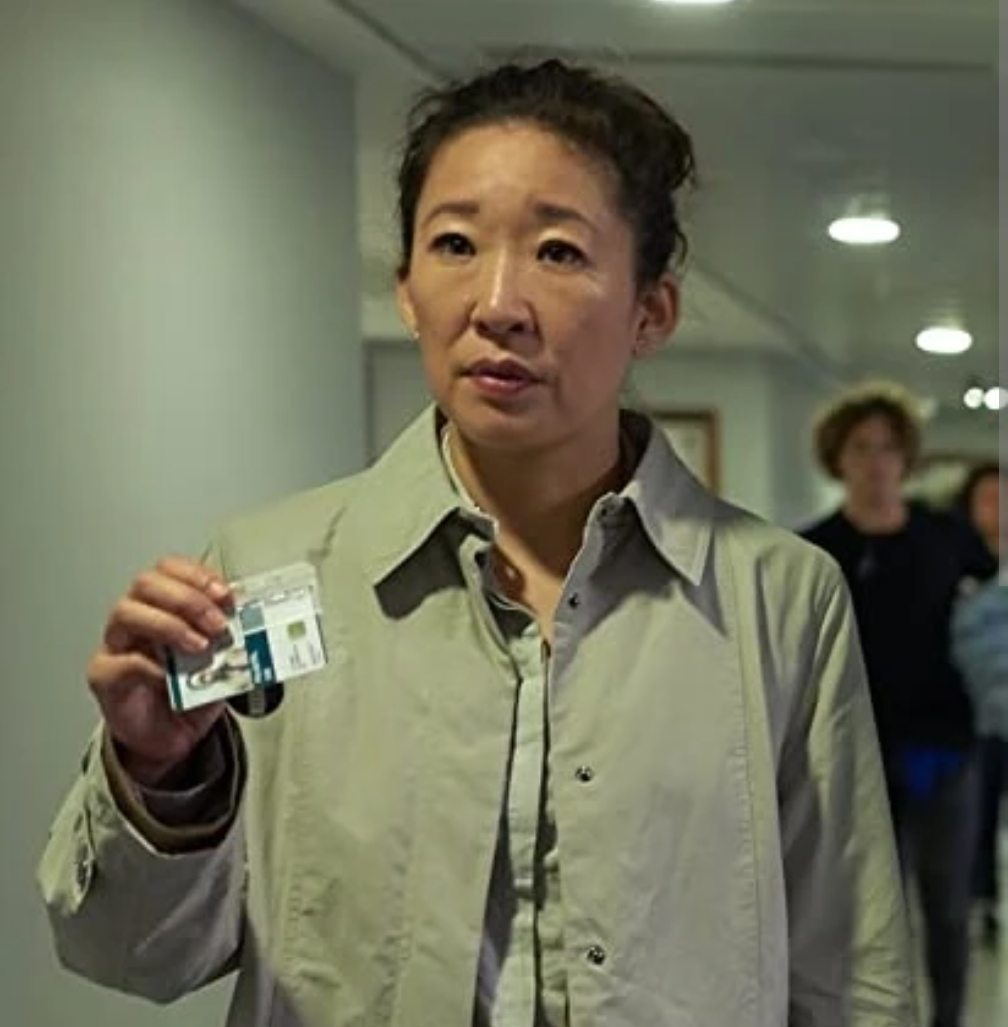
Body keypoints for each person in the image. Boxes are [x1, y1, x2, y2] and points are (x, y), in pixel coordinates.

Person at [38, 60, 916, 1027]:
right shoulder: (272, 577)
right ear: (408, 290)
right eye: (454, 244)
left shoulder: (777, 598)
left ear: (651, 310)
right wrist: (159, 772)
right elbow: (131, 952)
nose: (497, 303)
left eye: (558, 252)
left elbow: (854, 975)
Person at [802, 384, 996, 1027]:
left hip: (945, 752)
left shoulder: (950, 538)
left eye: (888, 448)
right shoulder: (815, 550)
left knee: (947, 907)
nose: (876, 462)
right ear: (838, 458)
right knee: (868, 911)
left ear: (907, 458)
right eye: (861, 448)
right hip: (855, 754)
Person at [950, 462, 1005, 948]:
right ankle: (982, 901)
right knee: (979, 820)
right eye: (987, 499)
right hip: (976, 721)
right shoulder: (954, 565)